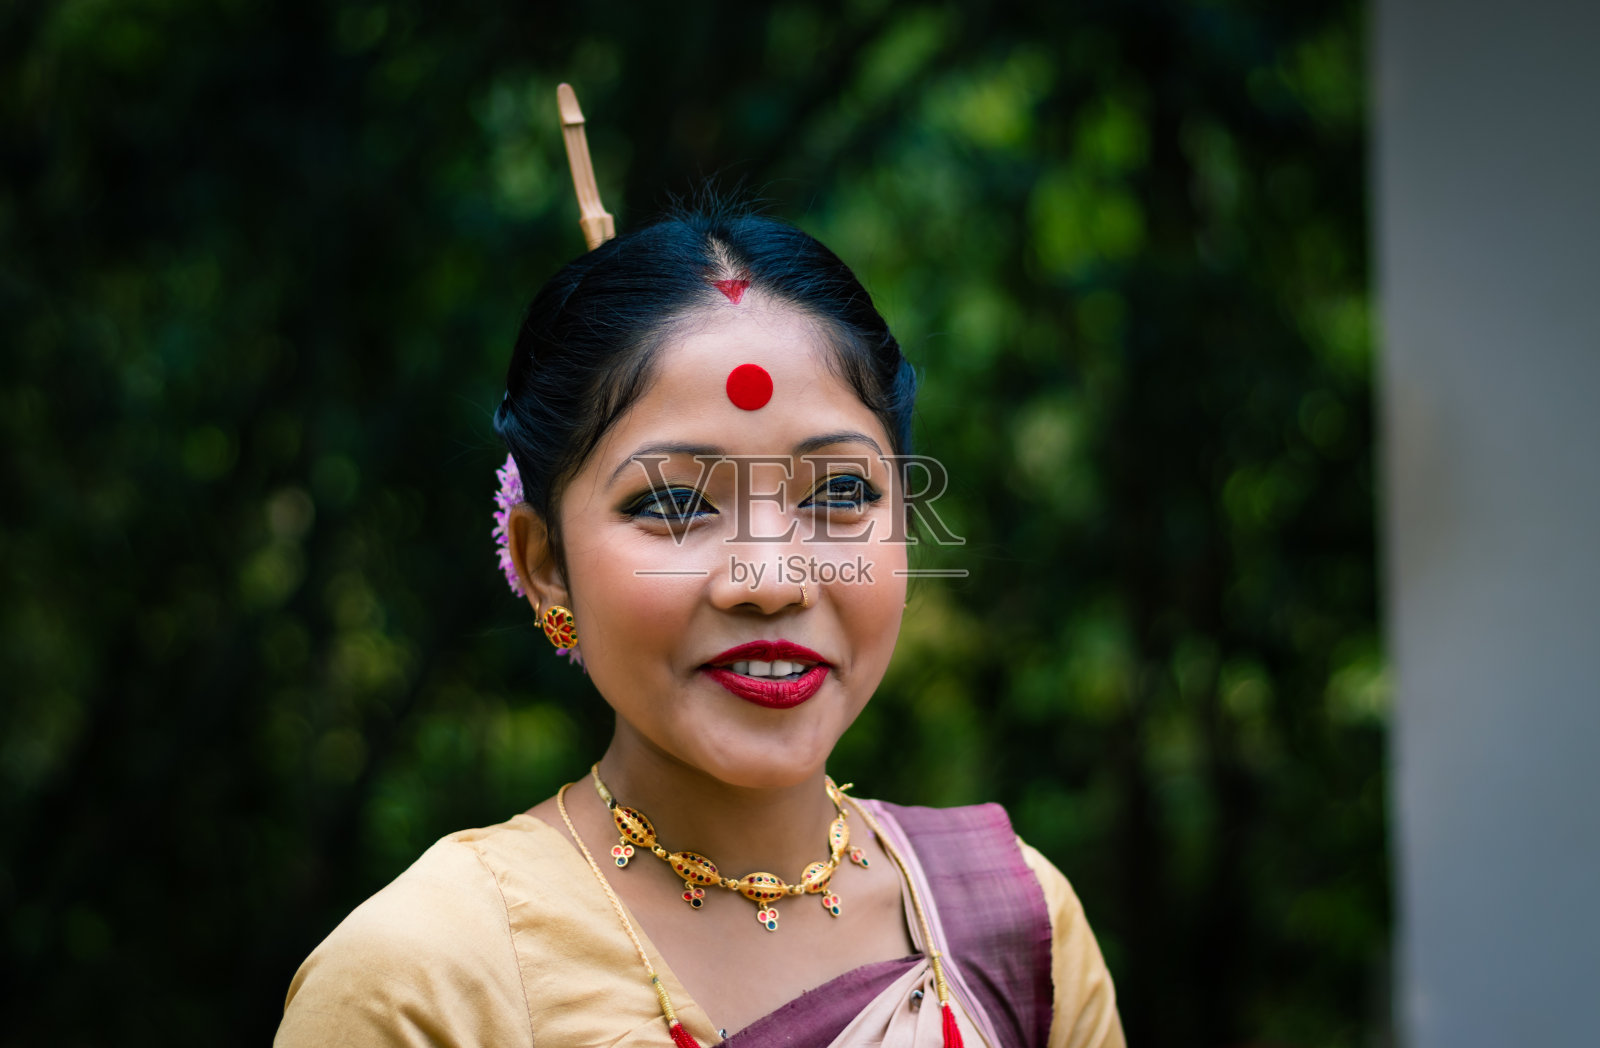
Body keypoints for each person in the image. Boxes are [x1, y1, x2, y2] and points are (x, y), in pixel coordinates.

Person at [274, 203, 1125, 1047]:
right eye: (674, 503)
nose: (771, 578)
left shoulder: (1015, 930)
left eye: (838, 494)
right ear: (542, 561)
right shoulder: (423, 981)